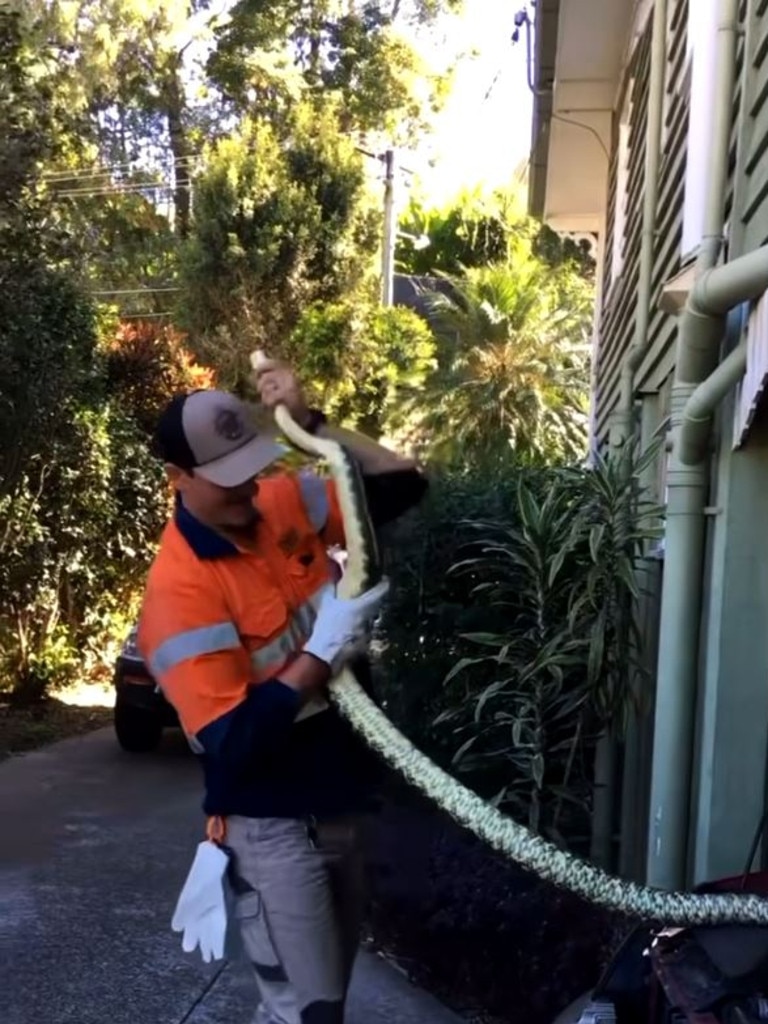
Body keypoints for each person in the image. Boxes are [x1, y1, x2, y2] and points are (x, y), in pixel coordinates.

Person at [137, 359, 427, 1024]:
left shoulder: (279, 503)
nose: (248, 493)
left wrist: (316, 423)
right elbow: (231, 743)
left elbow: (403, 485)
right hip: (270, 829)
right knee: (308, 1013)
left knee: (320, 1007)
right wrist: (321, 653)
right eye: (227, 481)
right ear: (178, 479)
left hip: (341, 807)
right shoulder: (178, 595)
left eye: (252, 469)